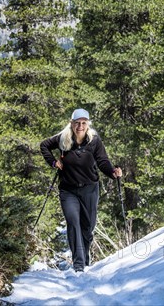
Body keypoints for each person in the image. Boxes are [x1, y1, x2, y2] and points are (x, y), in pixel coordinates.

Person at [40, 108, 122, 273]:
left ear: (88, 124)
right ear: (72, 124)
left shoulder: (94, 141)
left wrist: (112, 172)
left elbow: (103, 161)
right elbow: (44, 145)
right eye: (77, 123)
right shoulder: (63, 138)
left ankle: (85, 259)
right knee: (73, 223)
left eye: (84, 123)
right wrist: (54, 162)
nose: (80, 126)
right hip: (68, 190)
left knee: (87, 227)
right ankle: (79, 265)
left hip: (90, 189)